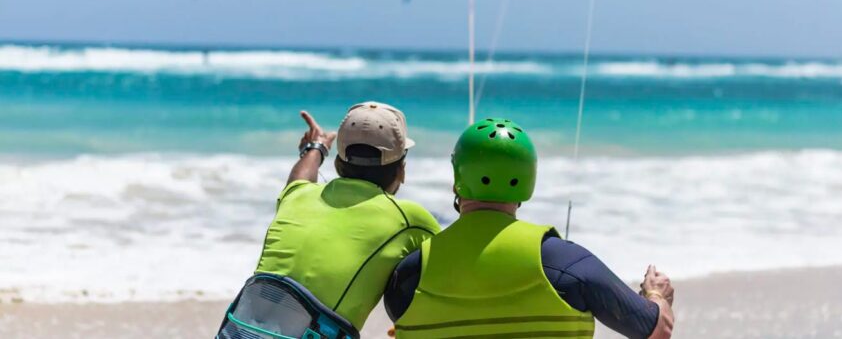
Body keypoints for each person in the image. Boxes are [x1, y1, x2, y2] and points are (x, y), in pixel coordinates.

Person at [385, 118, 675, 339]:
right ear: (528, 182)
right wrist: (657, 295)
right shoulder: (567, 263)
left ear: (456, 179)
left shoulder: (410, 274)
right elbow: (654, 329)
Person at [218, 102, 441, 339]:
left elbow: (298, 180)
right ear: (401, 171)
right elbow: (458, 259)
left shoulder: (297, 197)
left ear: (337, 163)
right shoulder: (410, 220)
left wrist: (316, 148)